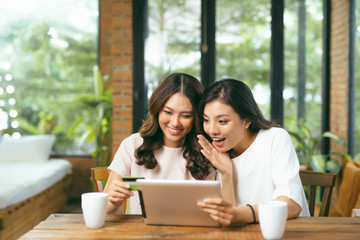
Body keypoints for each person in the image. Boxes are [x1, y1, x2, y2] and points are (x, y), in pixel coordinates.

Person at [196, 78, 310, 226]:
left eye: (222, 121)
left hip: (288, 232)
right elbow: (229, 219)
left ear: (247, 120)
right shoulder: (217, 154)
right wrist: (226, 174)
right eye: (206, 120)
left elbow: (291, 204)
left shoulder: (275, 138)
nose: (212, 130)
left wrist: (242, 213)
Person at [104, 73, 216, 214]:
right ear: (157, 109)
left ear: (198, 117)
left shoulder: (206, 152)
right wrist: (114, 202)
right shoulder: (133, 144)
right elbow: (105, 206)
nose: (175, 123)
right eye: (168, 112)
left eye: (186, 115)